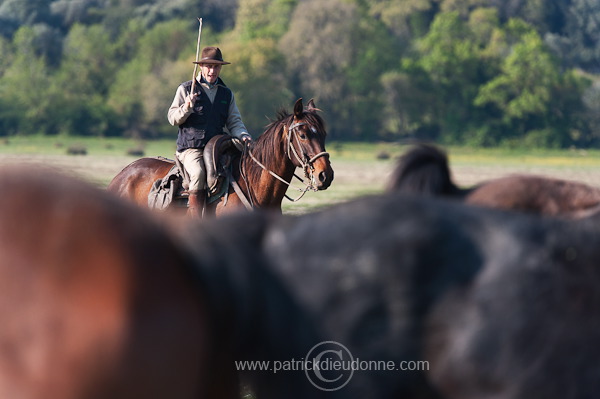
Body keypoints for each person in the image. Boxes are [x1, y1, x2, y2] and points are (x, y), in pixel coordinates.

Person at [168, 46, 252, 218]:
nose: (212, 70)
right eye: (208, 66)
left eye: (216, 66)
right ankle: (196, 222)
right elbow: (172, 118)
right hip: (191, 148)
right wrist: (187, 107)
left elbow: (234, 122)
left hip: (218, 147)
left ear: (220, 68)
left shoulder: (226, 94)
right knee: (198, 173)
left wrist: (243, 135)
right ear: (201, 67)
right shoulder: (185, 89)